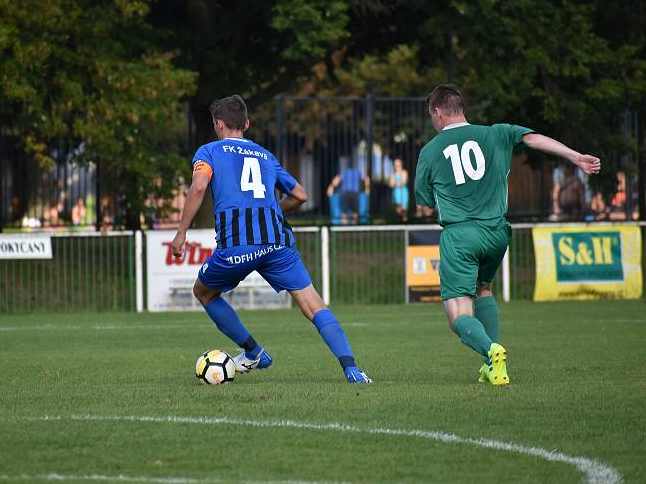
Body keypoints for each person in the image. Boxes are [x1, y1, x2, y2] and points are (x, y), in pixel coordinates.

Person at [171, 95, 371, 383]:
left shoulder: (209, 151)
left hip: (237, 244)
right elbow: (300, 195)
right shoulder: (265, 156)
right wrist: (271, 210)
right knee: (314, 305)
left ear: (218, 124)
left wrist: (181, 234)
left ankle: (253, 352)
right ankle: (352, 369)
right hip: (277, 242)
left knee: (204, 292)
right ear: (247, 124)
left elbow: (199, 185)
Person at [415, 84, 600, 386]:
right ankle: (493, 367)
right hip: (497, 233)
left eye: (431, 116)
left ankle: (490, 350)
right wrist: (575, 156)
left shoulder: (430, 151)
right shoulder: (497, 133)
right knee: (484, 289)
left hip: (461, 235)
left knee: (457, 313)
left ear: (437, 112)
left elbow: (424, 204)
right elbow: (533, 138)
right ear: (461, 108)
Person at [326, 160, 369, 224]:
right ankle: (353, 227)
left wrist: (331, 187)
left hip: (345, 193)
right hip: (354, 193)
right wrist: (367, 189)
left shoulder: (344, 172)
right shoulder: (358, 172)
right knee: (355, 212)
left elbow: (336, 180)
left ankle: (344, 228)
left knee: (345, 212)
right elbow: (366, 179)